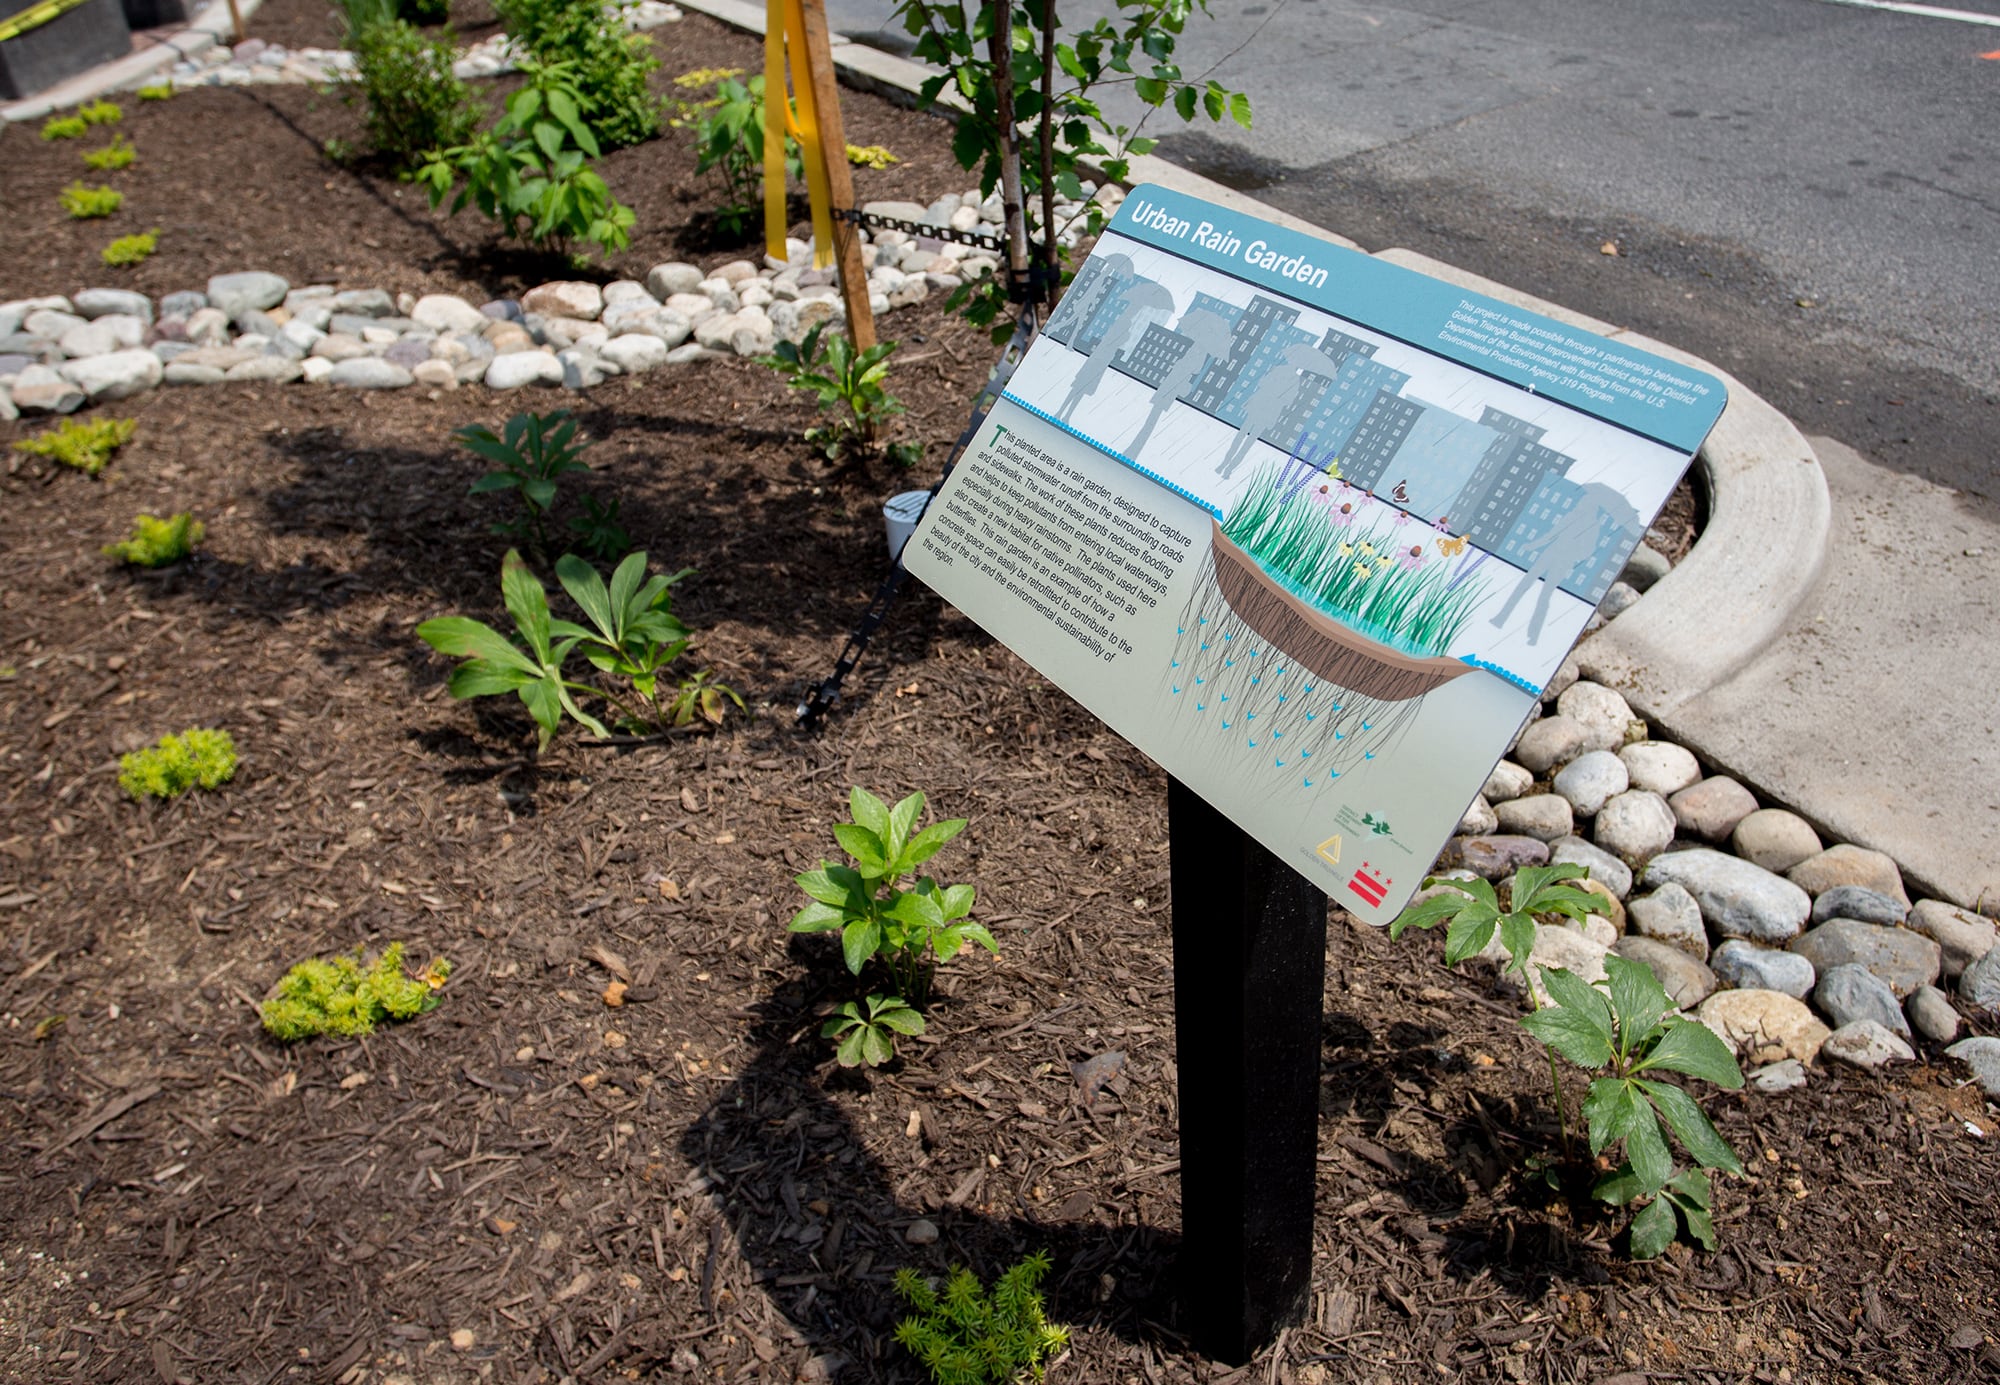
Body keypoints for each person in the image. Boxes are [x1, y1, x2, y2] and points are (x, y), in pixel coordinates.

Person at [1490, 480, 1639, 643]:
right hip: (1549, 554)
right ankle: (1501, 617)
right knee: (1524, 585)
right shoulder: (1572, 516)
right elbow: (1552, 533)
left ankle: (1533, 635)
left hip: (1563, 560)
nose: (1580, 503)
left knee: (1544, 595)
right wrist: (1533, 545)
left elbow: (1588, 551)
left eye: (1584, 502)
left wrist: (1572, 553)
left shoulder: (1593, 526)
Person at [1054, 279, 1175, 424]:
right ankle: (1062, 412)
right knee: (1079, 387)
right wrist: (1125, 336)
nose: (1137, 310)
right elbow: (1113, 340)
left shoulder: (1126, 320)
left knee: (1080, 388)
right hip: (1100, 359)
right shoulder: (1124, 321)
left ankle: (1064, 413)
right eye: (1137, 308)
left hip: (1101, 359)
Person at [1124, 308, 1236, 456]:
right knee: (1152, 416)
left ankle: (1134, 449)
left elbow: (1194, 369)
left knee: (1153, 417)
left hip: (1173, 385)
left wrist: (1181, 365)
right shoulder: (1197, 348)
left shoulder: (1200, 351)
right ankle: (1134, 448)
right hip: (1171, 383)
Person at [1215, 343, 1337, 479]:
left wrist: (1278, 392)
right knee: (1245, 439)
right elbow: (1282, 396)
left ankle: (1226, 467)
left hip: (1265, 408)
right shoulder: (1288, 376)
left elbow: (1275, 391)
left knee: (1244, 438)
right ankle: (1226, 467)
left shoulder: (1289, 376)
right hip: (1265, 408)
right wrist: (1278, 393)